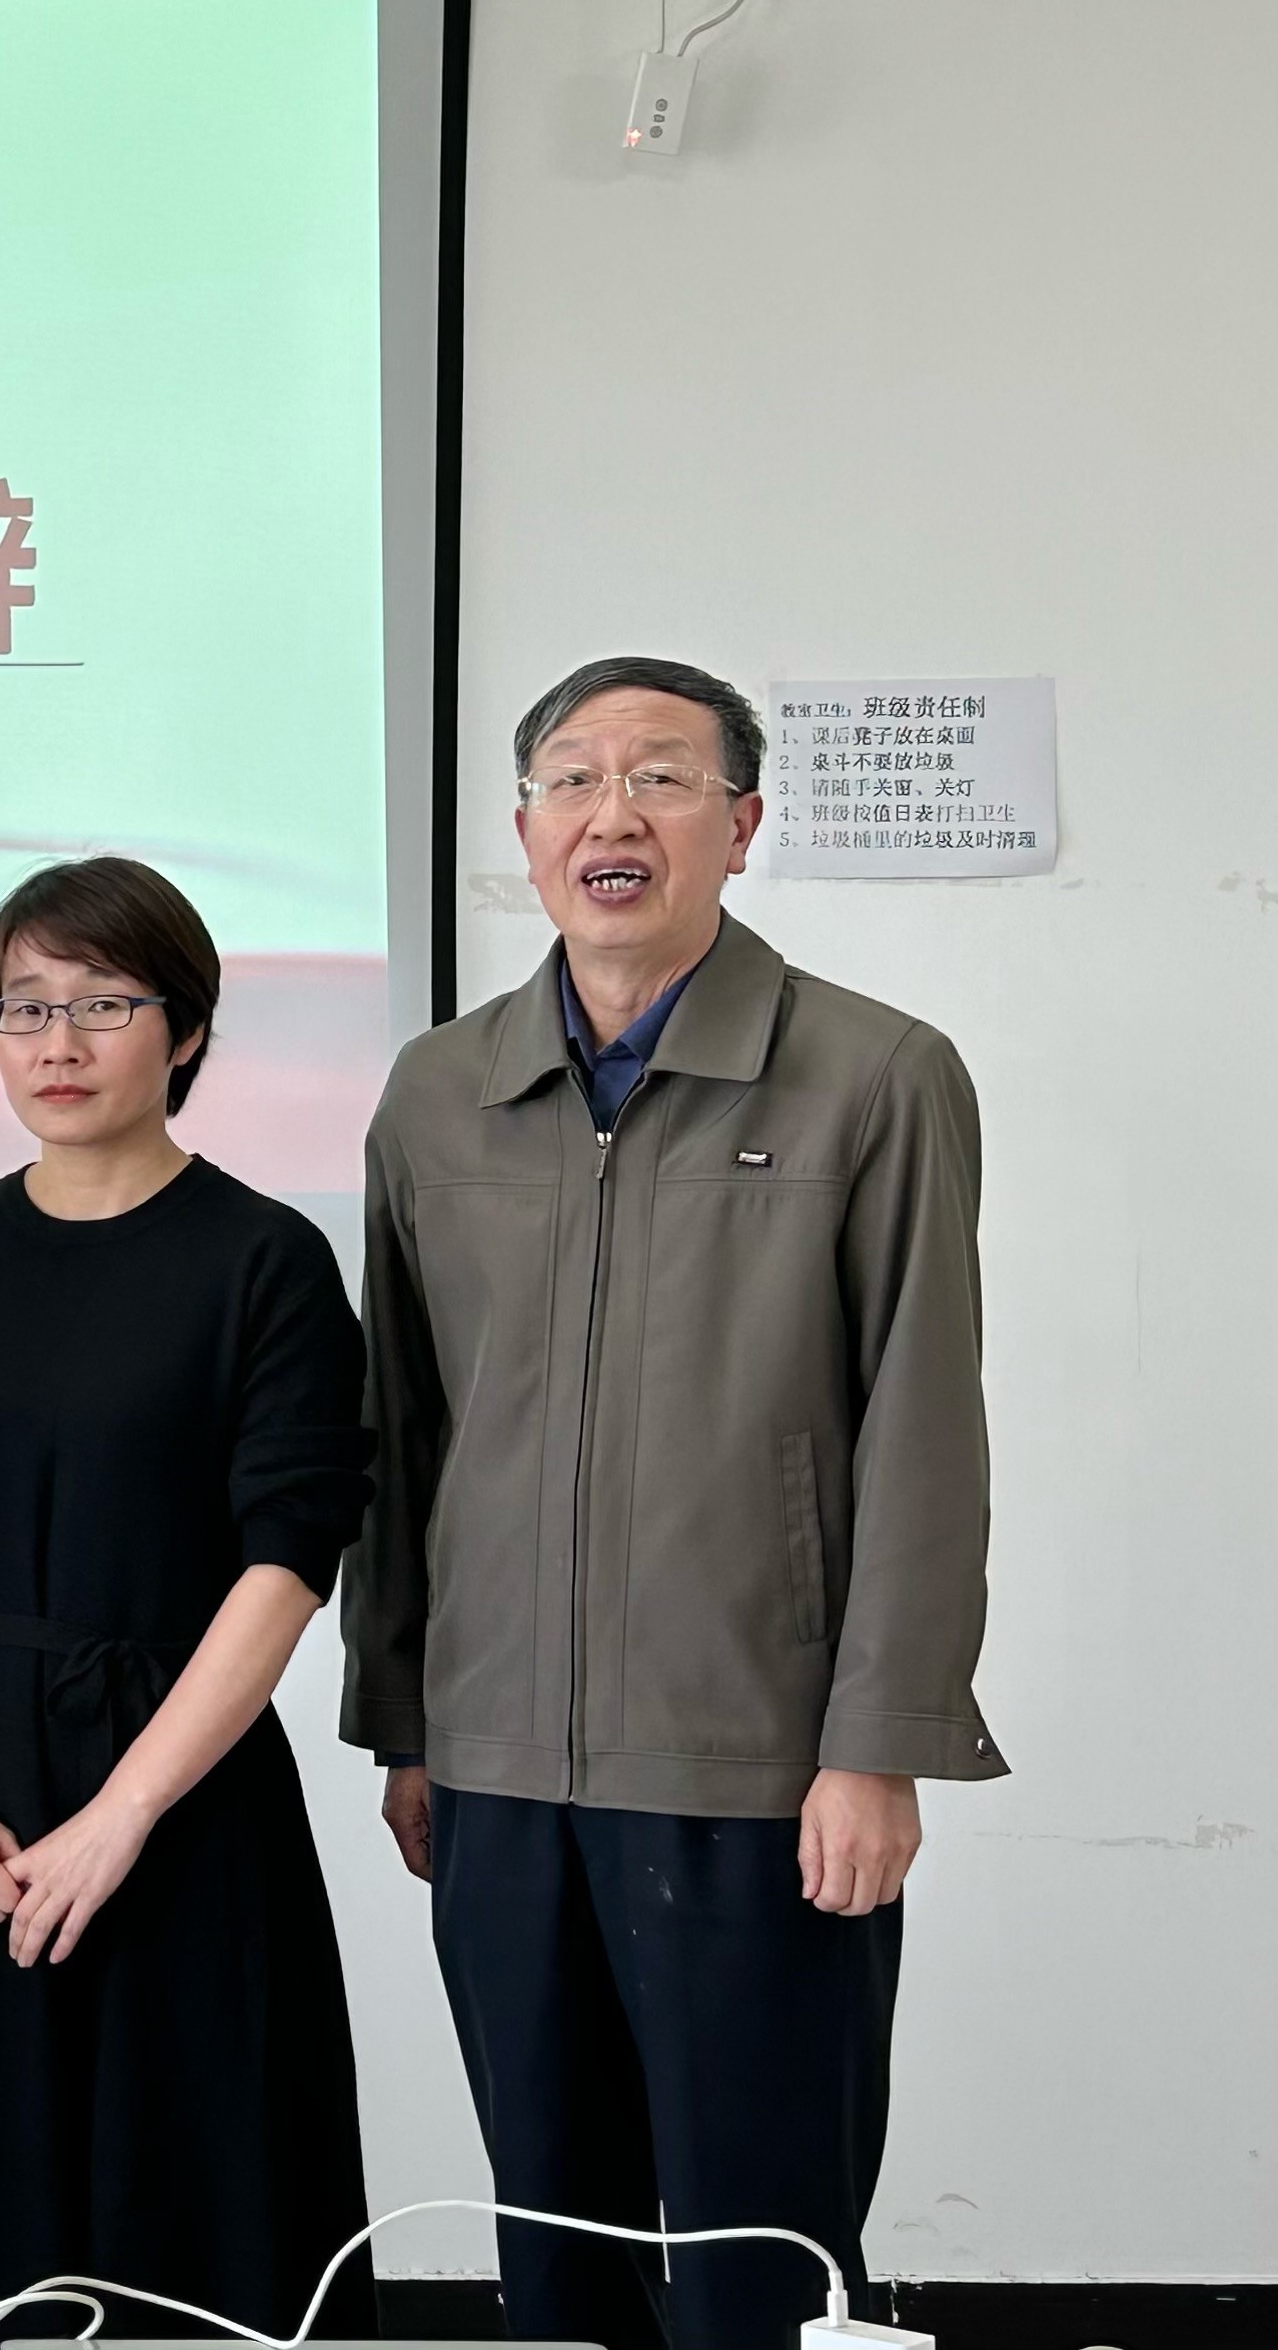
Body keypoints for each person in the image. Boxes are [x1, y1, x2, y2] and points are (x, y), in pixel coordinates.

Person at [343, 656, 1007, 2350]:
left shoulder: (872, 1074)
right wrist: (408, 1720)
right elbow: (402, 1430)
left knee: (756, 2259)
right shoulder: (439, 1090)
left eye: (661, 777)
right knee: (552, 2247)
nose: (611, 813)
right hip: (496, 1769)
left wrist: (876, 1748)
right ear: (524, 829)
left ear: (742, 824)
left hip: (757, 1771)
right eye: (572, 778)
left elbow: (923, 1432)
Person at [0, 857, 371, 2339]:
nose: (58, 1043)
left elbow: (288, 1563)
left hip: (185, 1795)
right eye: (23, 1008)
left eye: (102, 1004)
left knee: (199, 2200)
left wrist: (125, 1813)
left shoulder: (265, 1258)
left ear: (185, 1029)